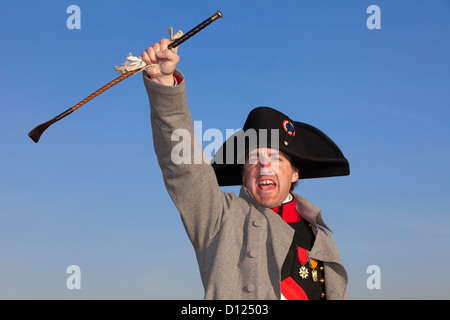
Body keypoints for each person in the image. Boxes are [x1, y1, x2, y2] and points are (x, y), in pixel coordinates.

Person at [141, 38, 350, 300]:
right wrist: (165, 88)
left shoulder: (321, 239)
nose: (264, 167)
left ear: (295, 173)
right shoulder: (219, 217)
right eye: (254, 159)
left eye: (276, 158)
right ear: (243, 173)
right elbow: (185, 169)